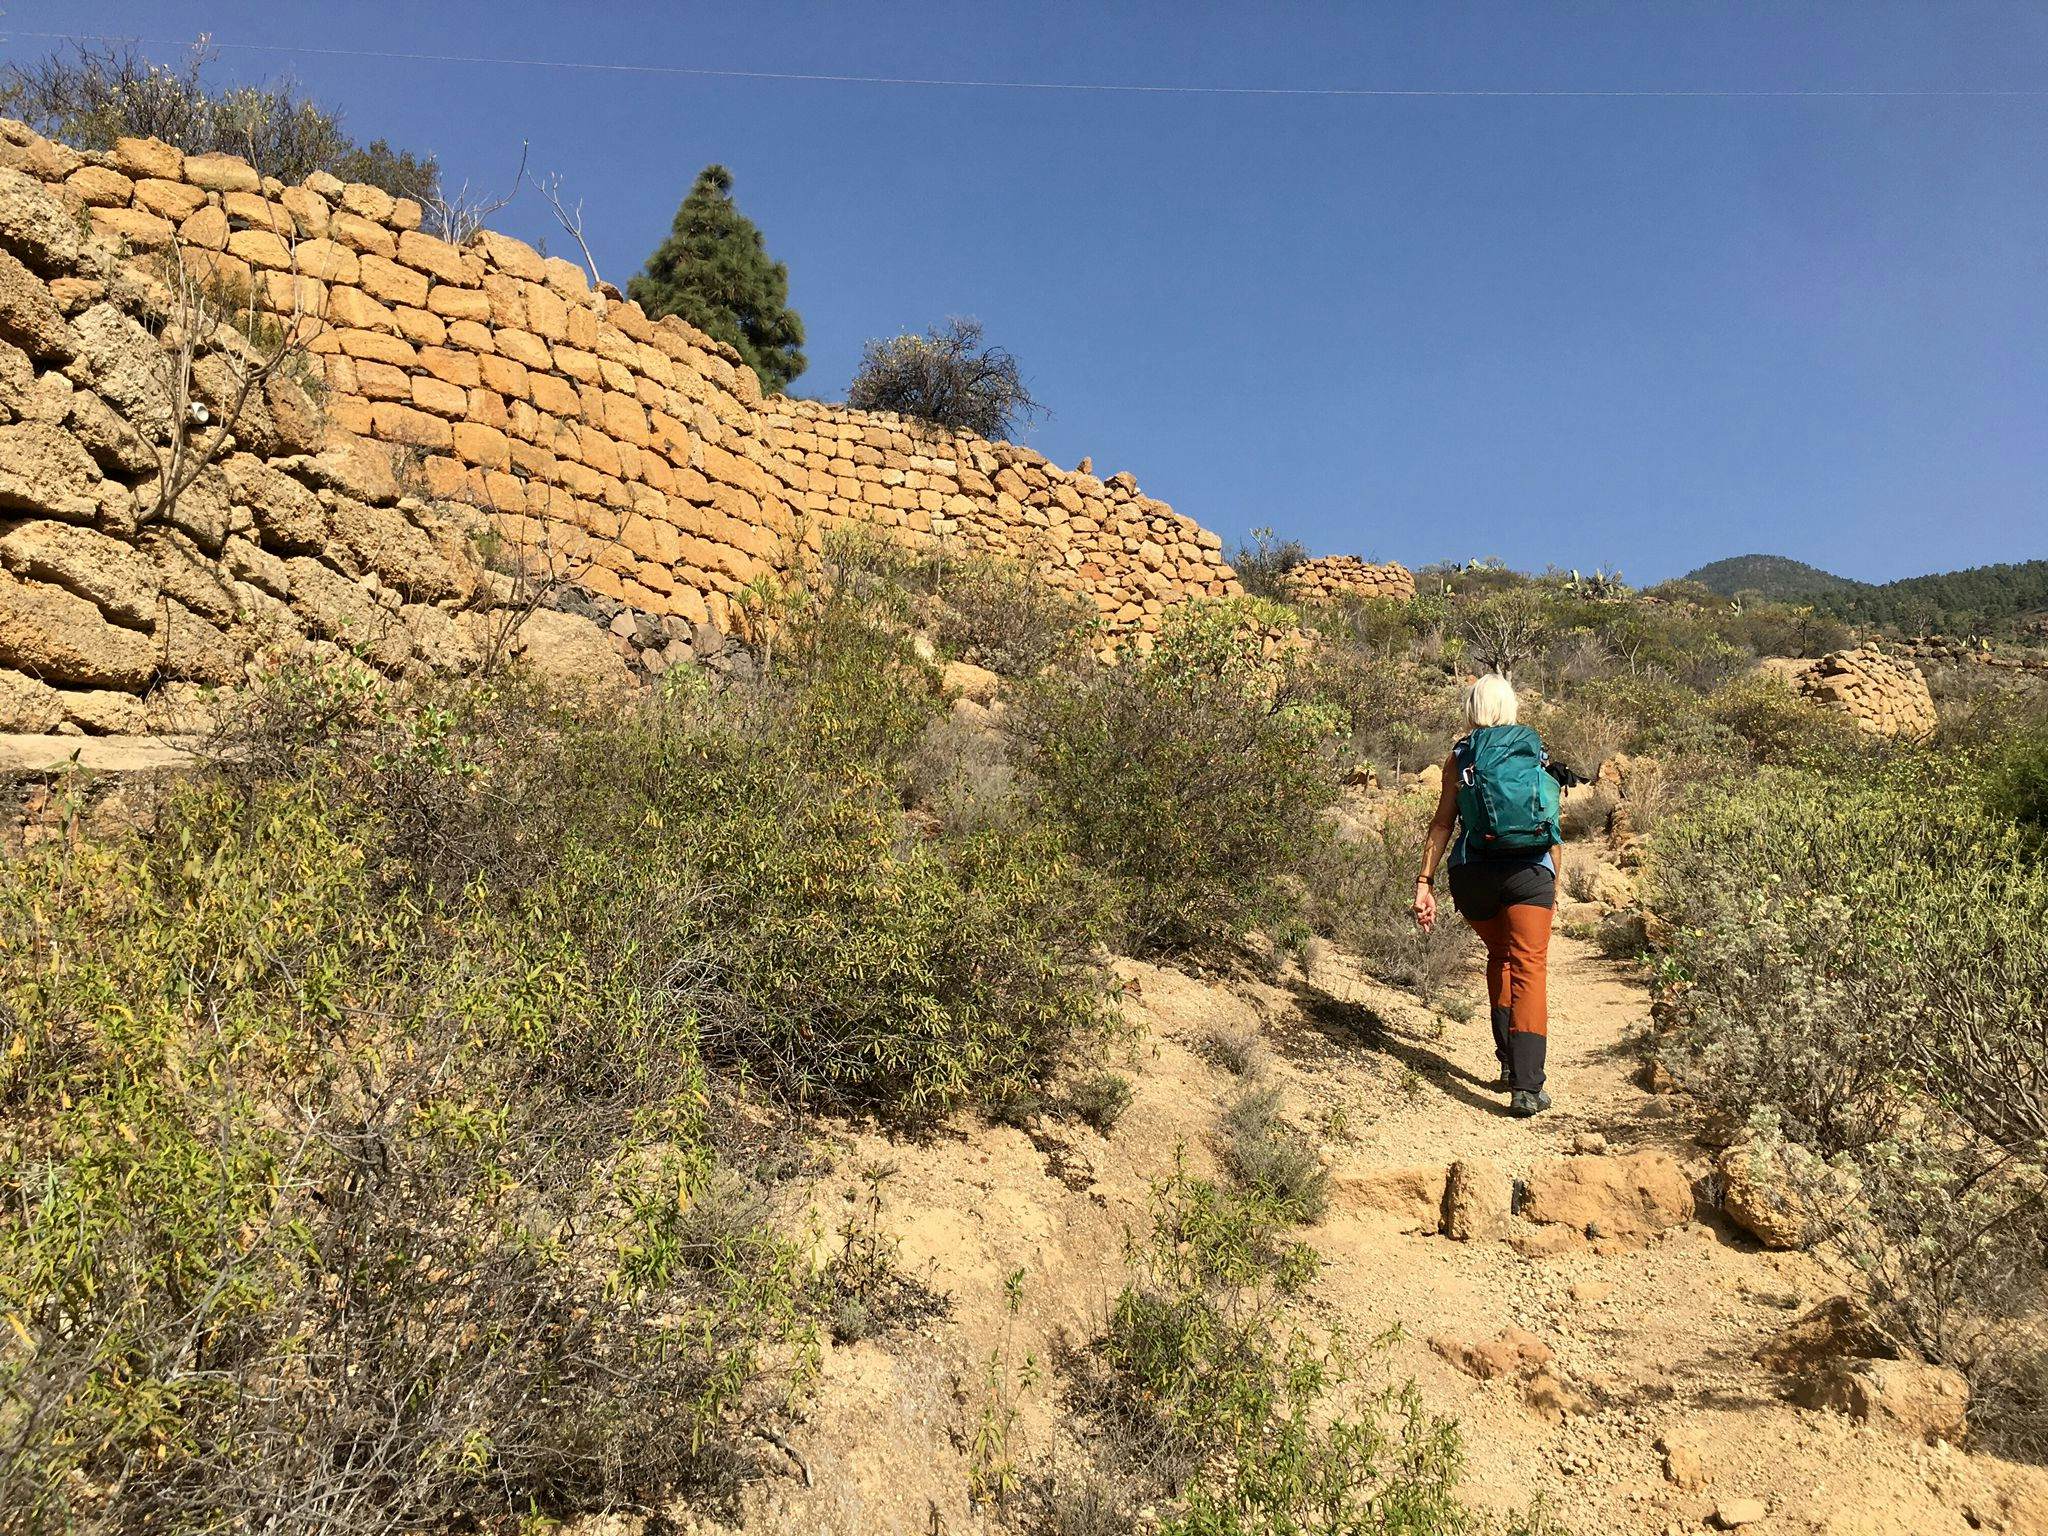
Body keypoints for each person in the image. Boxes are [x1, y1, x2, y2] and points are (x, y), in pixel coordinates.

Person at [1410, 673, 1563, 1117]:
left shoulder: (1460, 757)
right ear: (1510, 706)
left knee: (1501, 956)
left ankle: (1505, 1063)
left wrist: (1425, 882)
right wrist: (1555, 882)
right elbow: (1553, 822)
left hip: (1472, 872)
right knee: (1529, 965)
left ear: (1472, 708)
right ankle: (1527, 1087)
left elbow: (1443, 824)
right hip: (1530, 872)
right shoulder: (1534, 750)